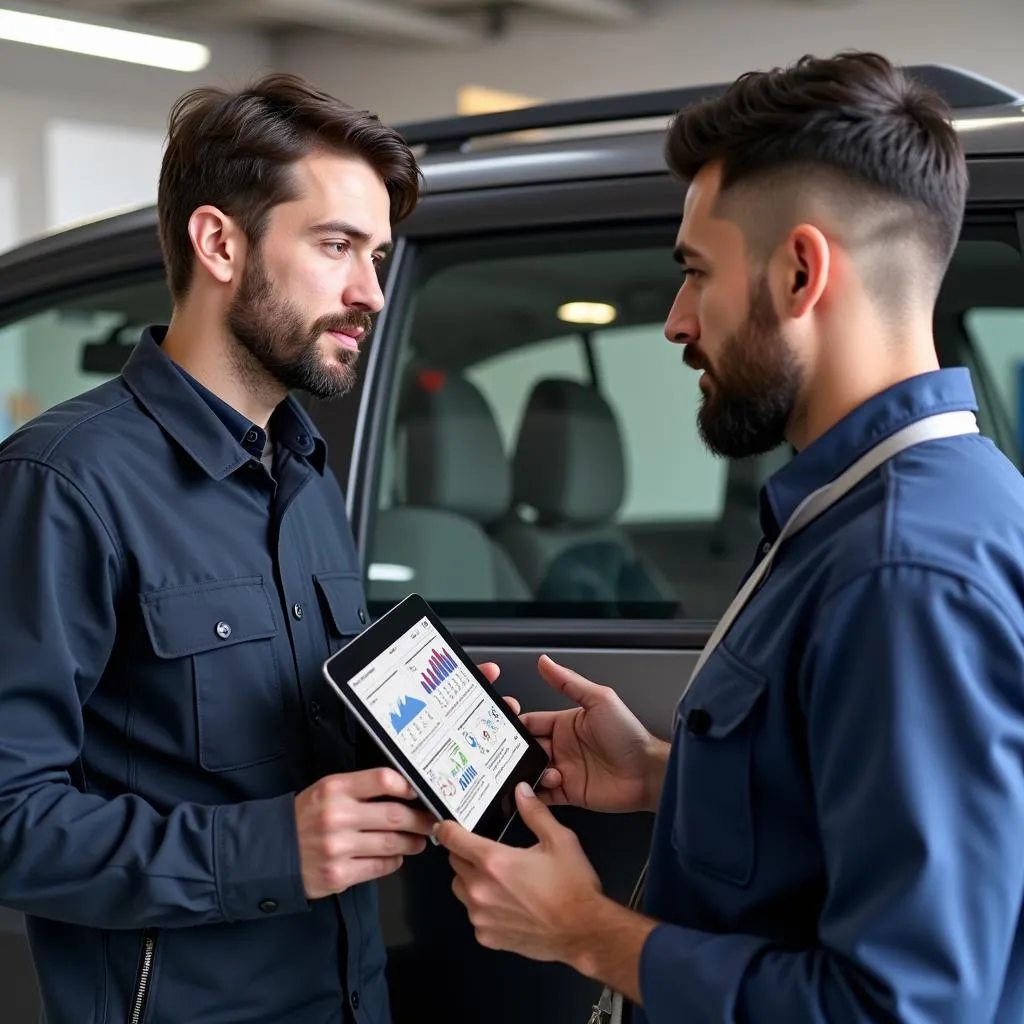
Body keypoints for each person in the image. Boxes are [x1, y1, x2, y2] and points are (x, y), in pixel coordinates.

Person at [435, 51, 1024, 1022]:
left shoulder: (900, 571)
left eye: (696, 274)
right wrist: (670, 777)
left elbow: (899, 1008)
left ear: (800, 271)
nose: (675, 323)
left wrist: (582, 930)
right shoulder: (892, 510)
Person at [0, 73, 437, 1023]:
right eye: (336, 247)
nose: (369, 291)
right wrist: (273, 849)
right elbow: (7, 817)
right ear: (220, 243)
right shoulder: (63, 483)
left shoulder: (308, 477)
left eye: (378, 255)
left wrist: (430, 739)